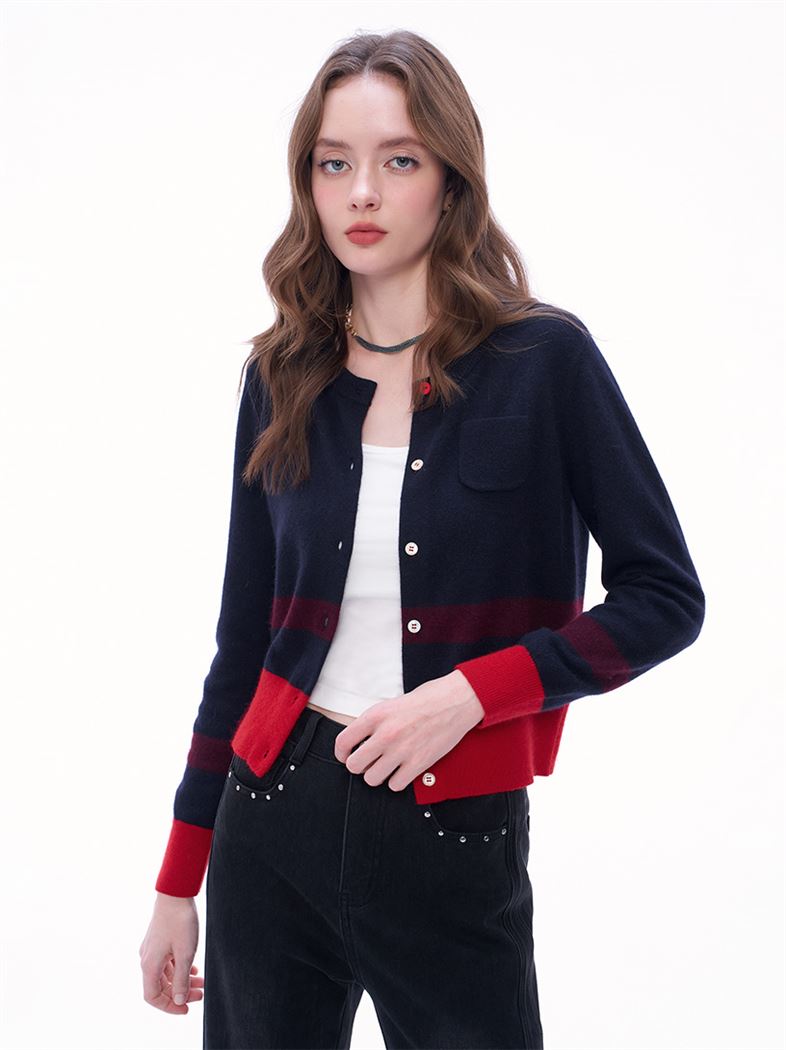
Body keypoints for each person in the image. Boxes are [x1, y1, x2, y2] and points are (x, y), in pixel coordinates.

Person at [139, 29, 705, 1050]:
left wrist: (472, 695)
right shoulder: (281, 376)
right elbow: (241, 643)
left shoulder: (546, 361)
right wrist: (180, 881)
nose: (362, 192)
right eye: (334, 163)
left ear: (450, 181)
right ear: (308, 184)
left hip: (452, 834)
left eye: (398, 160)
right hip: (270, 822)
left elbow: (664, 599)